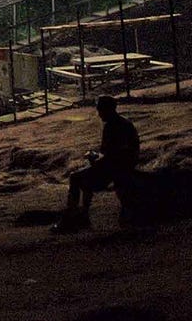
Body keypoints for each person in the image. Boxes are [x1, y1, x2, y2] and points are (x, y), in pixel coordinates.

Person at [53, 94, 140, 232]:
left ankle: (73, 216)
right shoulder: (124, 124)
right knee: (87, 175)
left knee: (75, 178)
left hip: (115, 167)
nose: (99, 114)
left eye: (100, 110)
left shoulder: (112, 127)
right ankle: (83, 214)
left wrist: (94, 158)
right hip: (124, 164)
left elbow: (109, 154)